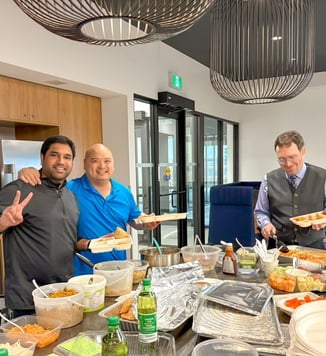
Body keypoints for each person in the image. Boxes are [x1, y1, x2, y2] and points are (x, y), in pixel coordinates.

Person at [18, 143, 160, 276]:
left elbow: (134, 219)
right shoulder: (69, 190)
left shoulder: (124, 192)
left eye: (107, 161)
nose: (102, 166)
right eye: (95, 160)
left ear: (113, 165)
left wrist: (147, 222)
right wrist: (30, 171)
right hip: (80, 272)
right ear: (84, 164)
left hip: (117, 268)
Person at [0, 135, 83, 317]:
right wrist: (3, 222)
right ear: (42, 157)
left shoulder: (70, 197)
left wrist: (94, 243)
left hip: (63, 293)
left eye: (67, 157)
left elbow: (66, 240)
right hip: (27, 299)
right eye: (54, 155)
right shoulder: (19, 190)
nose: (61, 162)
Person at [254, 130, 326, 250]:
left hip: (315, 246)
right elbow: (260, 212)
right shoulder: (269, 179)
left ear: (303, 151)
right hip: (279, 246)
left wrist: (323, 220)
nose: (288, 164)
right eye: (281, 159)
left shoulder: (323, 177)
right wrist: (265, 224)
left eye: (292, 157)